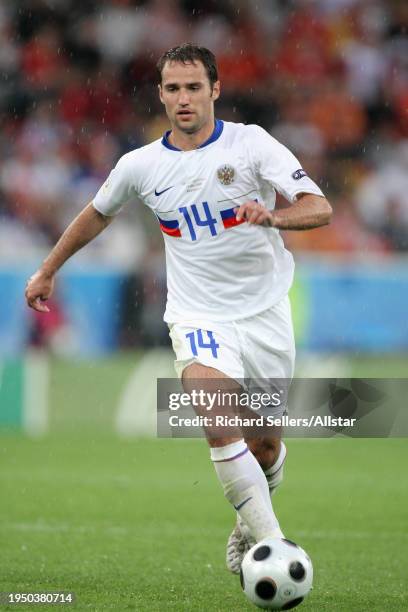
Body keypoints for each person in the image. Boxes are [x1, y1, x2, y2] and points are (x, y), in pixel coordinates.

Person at [25, 43, 332, 574]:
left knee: (262, 446)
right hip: (197, 316)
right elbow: (96, 214)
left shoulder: (252, 145)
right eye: (173, 88)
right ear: (161, 95)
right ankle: (274, 547)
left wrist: (274, 219)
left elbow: (319, 206)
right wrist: (49, 269)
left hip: (263, 313)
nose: (184, 98)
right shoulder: (140, 165)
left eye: (194, 87)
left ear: (215, 90)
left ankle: (248, 525)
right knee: (217, 418)